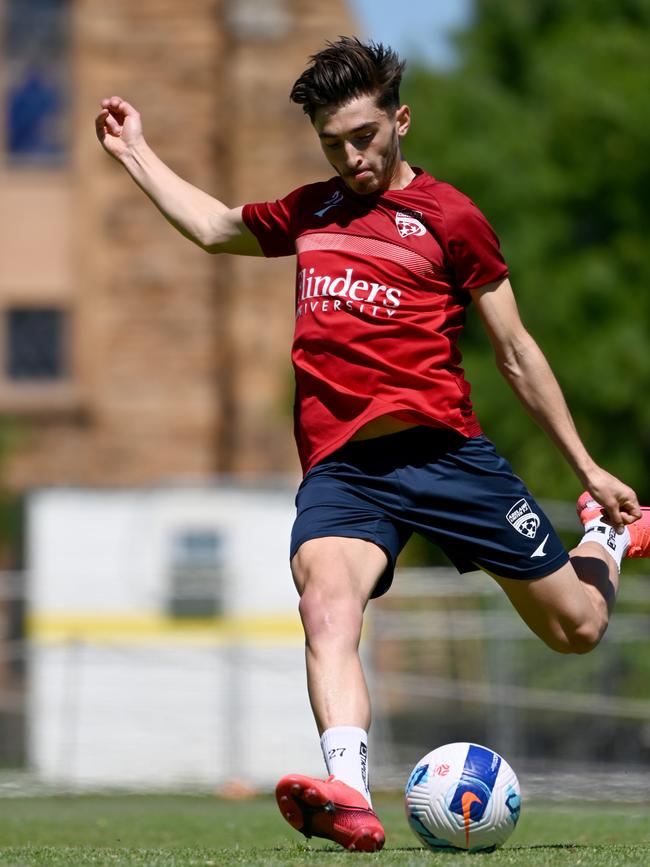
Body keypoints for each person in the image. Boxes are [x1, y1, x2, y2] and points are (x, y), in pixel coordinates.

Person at [96, 36, 649, 853]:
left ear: (400, 120)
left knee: (575, 627)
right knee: (324, 603)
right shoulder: (312, 211)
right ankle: (349, 791)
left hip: (447, 455)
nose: (350, 156)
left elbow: (516, 352)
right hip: (347, 472)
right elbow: (215, 227)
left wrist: (588, 468)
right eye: (331, 143)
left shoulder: (452, 218)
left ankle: (608, 536)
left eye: (363, 136)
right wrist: (136, 151)